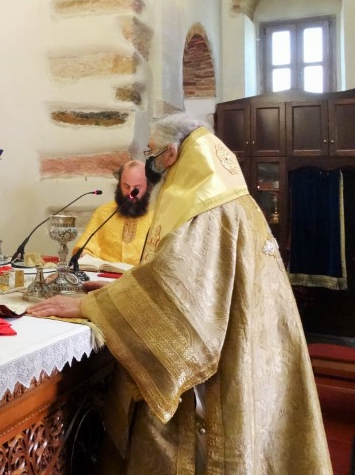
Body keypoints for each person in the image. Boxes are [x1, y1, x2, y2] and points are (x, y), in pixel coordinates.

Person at [27, 114, 332, 474]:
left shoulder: (201, 207)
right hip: (252, 339)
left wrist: (91, 305)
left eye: (152, 153)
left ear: (171, 154)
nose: (151, 162)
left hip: (220, 366)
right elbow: (181, 275)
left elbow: (178, 298)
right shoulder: (223, 194)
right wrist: (122, 291)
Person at [71, 160, 153, 267]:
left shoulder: (158, 215)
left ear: (148, 186)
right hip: (105, 275)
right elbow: (85, 248)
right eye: (126, 186)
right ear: (119, 185)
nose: (131, 193)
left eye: (136, 188)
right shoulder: (103, 212)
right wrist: (85, 257)